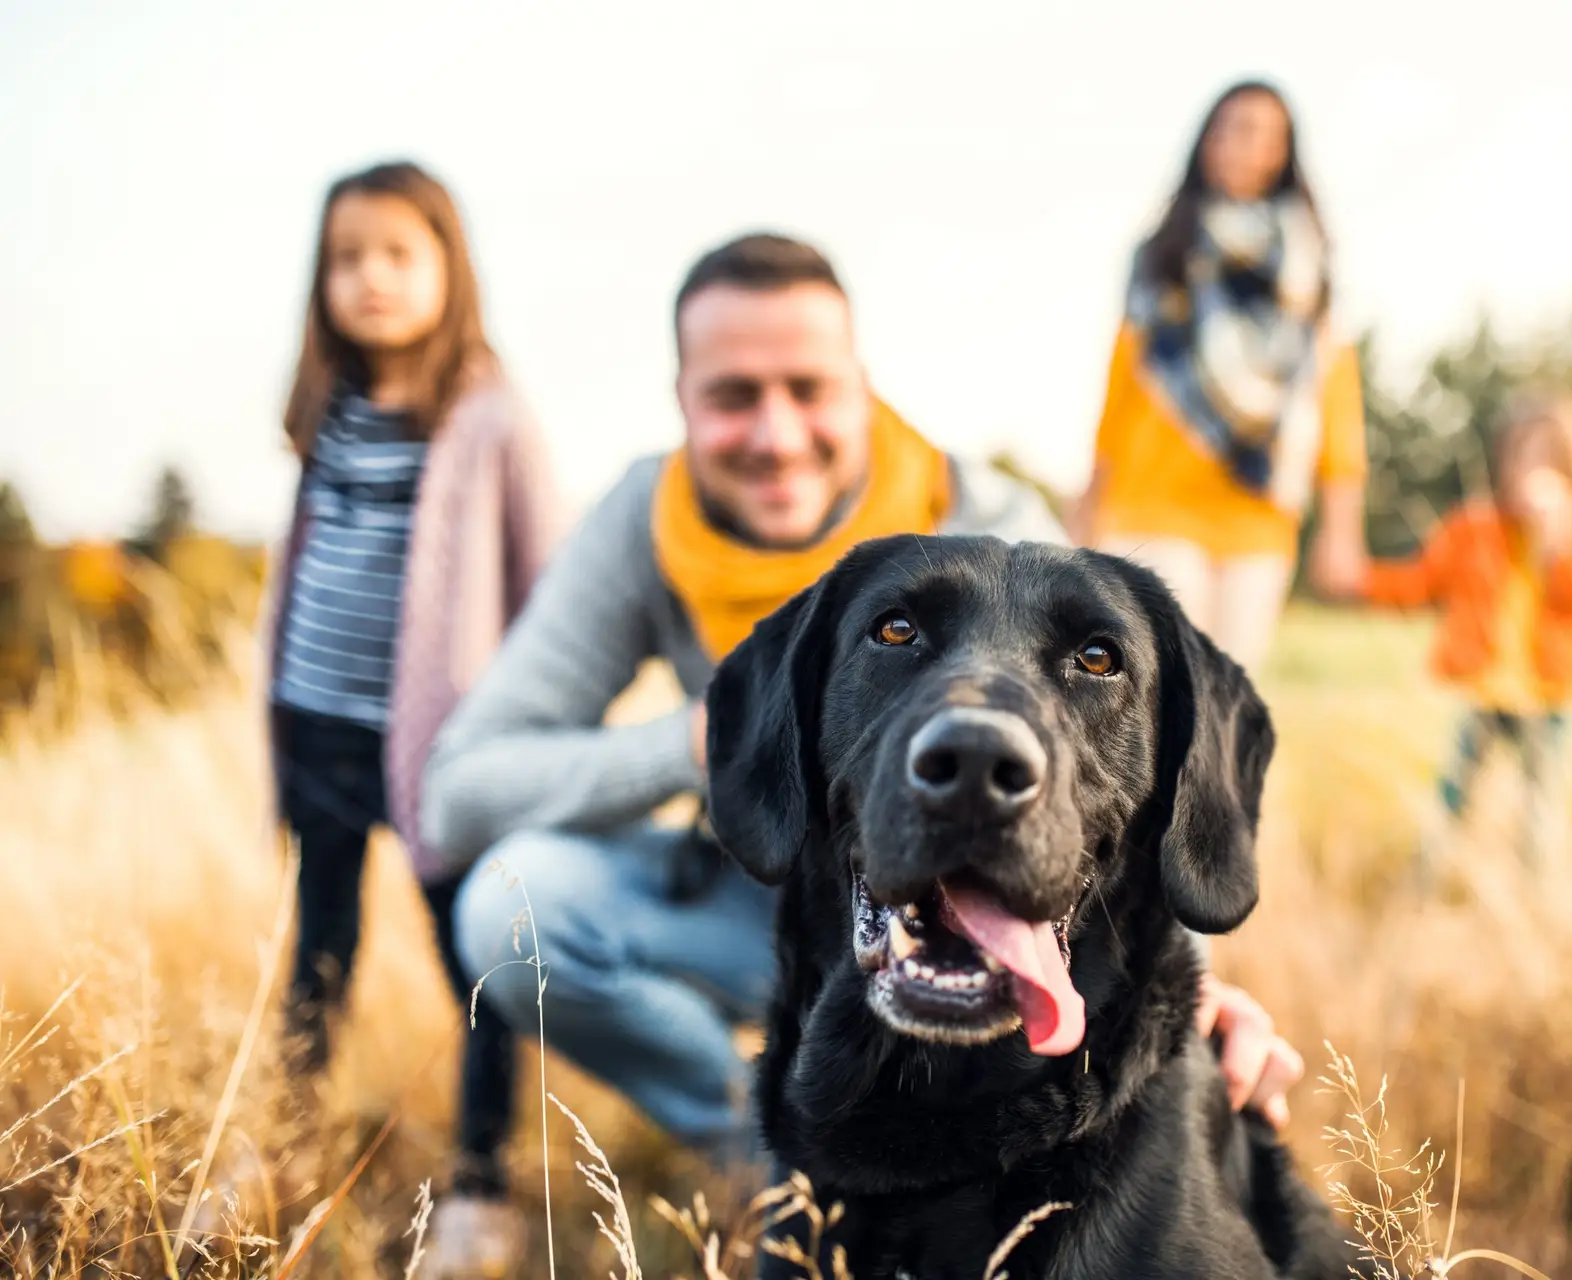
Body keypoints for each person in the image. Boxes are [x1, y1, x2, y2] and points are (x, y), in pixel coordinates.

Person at [426, 233, 1309, 1204]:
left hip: (966, 885)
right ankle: (779, 1150)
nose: (776, 432)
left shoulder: (992, 517)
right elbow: (460, 793)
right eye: (732, 395)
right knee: (513, 903)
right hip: (753, 887)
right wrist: (696, 743)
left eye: (808, 388)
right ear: (681, 399)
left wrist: (1196, 990)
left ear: (862, 386)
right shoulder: (643, 520)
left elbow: (1116, 762)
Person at [256, 160, 563, 1272]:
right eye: (347, 259)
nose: (371, 279)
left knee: (475, 954)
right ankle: (284, 1144)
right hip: (319, 727)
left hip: (443, 749)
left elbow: (550, 582)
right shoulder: (326, 409)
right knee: (319, 947)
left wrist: (528, 727)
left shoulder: (488, 410)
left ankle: (483, 1180)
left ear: (448, 267)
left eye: (397, 254)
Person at [1076, 79, 1369, 670]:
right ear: (1206, 141)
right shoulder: (1163, 253)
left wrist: (1342, 529)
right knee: (1155, 683)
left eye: (1266, 135)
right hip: (1151, 503)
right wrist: (1087, 502)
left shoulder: (1310, 270)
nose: (1245, 145)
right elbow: (1122, 387)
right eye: (1232, 127)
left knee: (1227, 697)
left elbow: (1334, 399)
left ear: (1283, 155)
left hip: (1258, 515)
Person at [1350, 386, 1572, 875]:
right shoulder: (1473, 529)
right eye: (1524, 454)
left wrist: (1556, 540)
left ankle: (1537, 889)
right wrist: (1359, 580)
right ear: (1505, 460)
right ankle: (1426, 878)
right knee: (1454, 794)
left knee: (1540, 805)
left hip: (1551, 697)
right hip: (1486, 691)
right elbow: (1420, 581)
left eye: (1550, 456)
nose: (1534, 470)